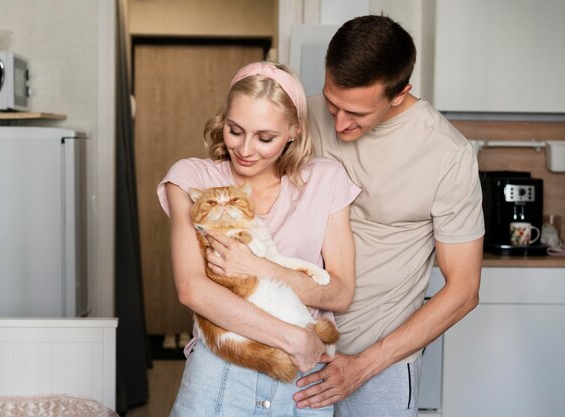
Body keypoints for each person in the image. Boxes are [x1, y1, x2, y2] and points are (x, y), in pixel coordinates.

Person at [292, 15, 485, 417]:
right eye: (332, 102)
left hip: (381, 362)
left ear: (399, 95)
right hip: (293, 348)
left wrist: (363, 367)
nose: (339, 122)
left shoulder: (447, 154)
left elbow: (464, 289)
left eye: (356, 113)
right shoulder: (301, 118)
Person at [157, 61, 361, 416]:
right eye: (235, 131)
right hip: (225, 367)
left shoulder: (326, 181)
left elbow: (340, 293)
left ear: (294, 131)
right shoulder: (192, 178)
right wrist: (293, 337)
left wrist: (257, 266)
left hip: (302, 385)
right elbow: (193, 289)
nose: (246, 149)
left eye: (265, 138)